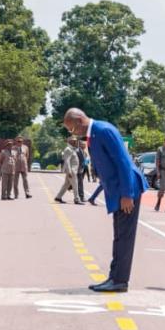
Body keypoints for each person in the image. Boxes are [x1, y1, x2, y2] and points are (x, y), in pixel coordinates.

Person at [63, 109, 147, 292]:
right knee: (119, 236)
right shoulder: (94, 133)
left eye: (71, 129)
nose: (73, 133)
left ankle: (119, 281)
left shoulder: (103, 130)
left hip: (126, 189)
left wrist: (127, 194)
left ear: (79, 121)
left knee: (124, 237)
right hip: (118, 189)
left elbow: (123, 162)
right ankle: (115, 277)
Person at [55, 137, 82, 204]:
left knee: (66, 185)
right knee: (75, 185)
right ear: (70, 142)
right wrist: (69, 171)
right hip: (71, 171)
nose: (76, 142)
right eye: (74, 141)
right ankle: (77, 199)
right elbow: (67, 161)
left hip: (73, 170)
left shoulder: (72, 149)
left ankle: (58, 197)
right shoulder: (68, 149)